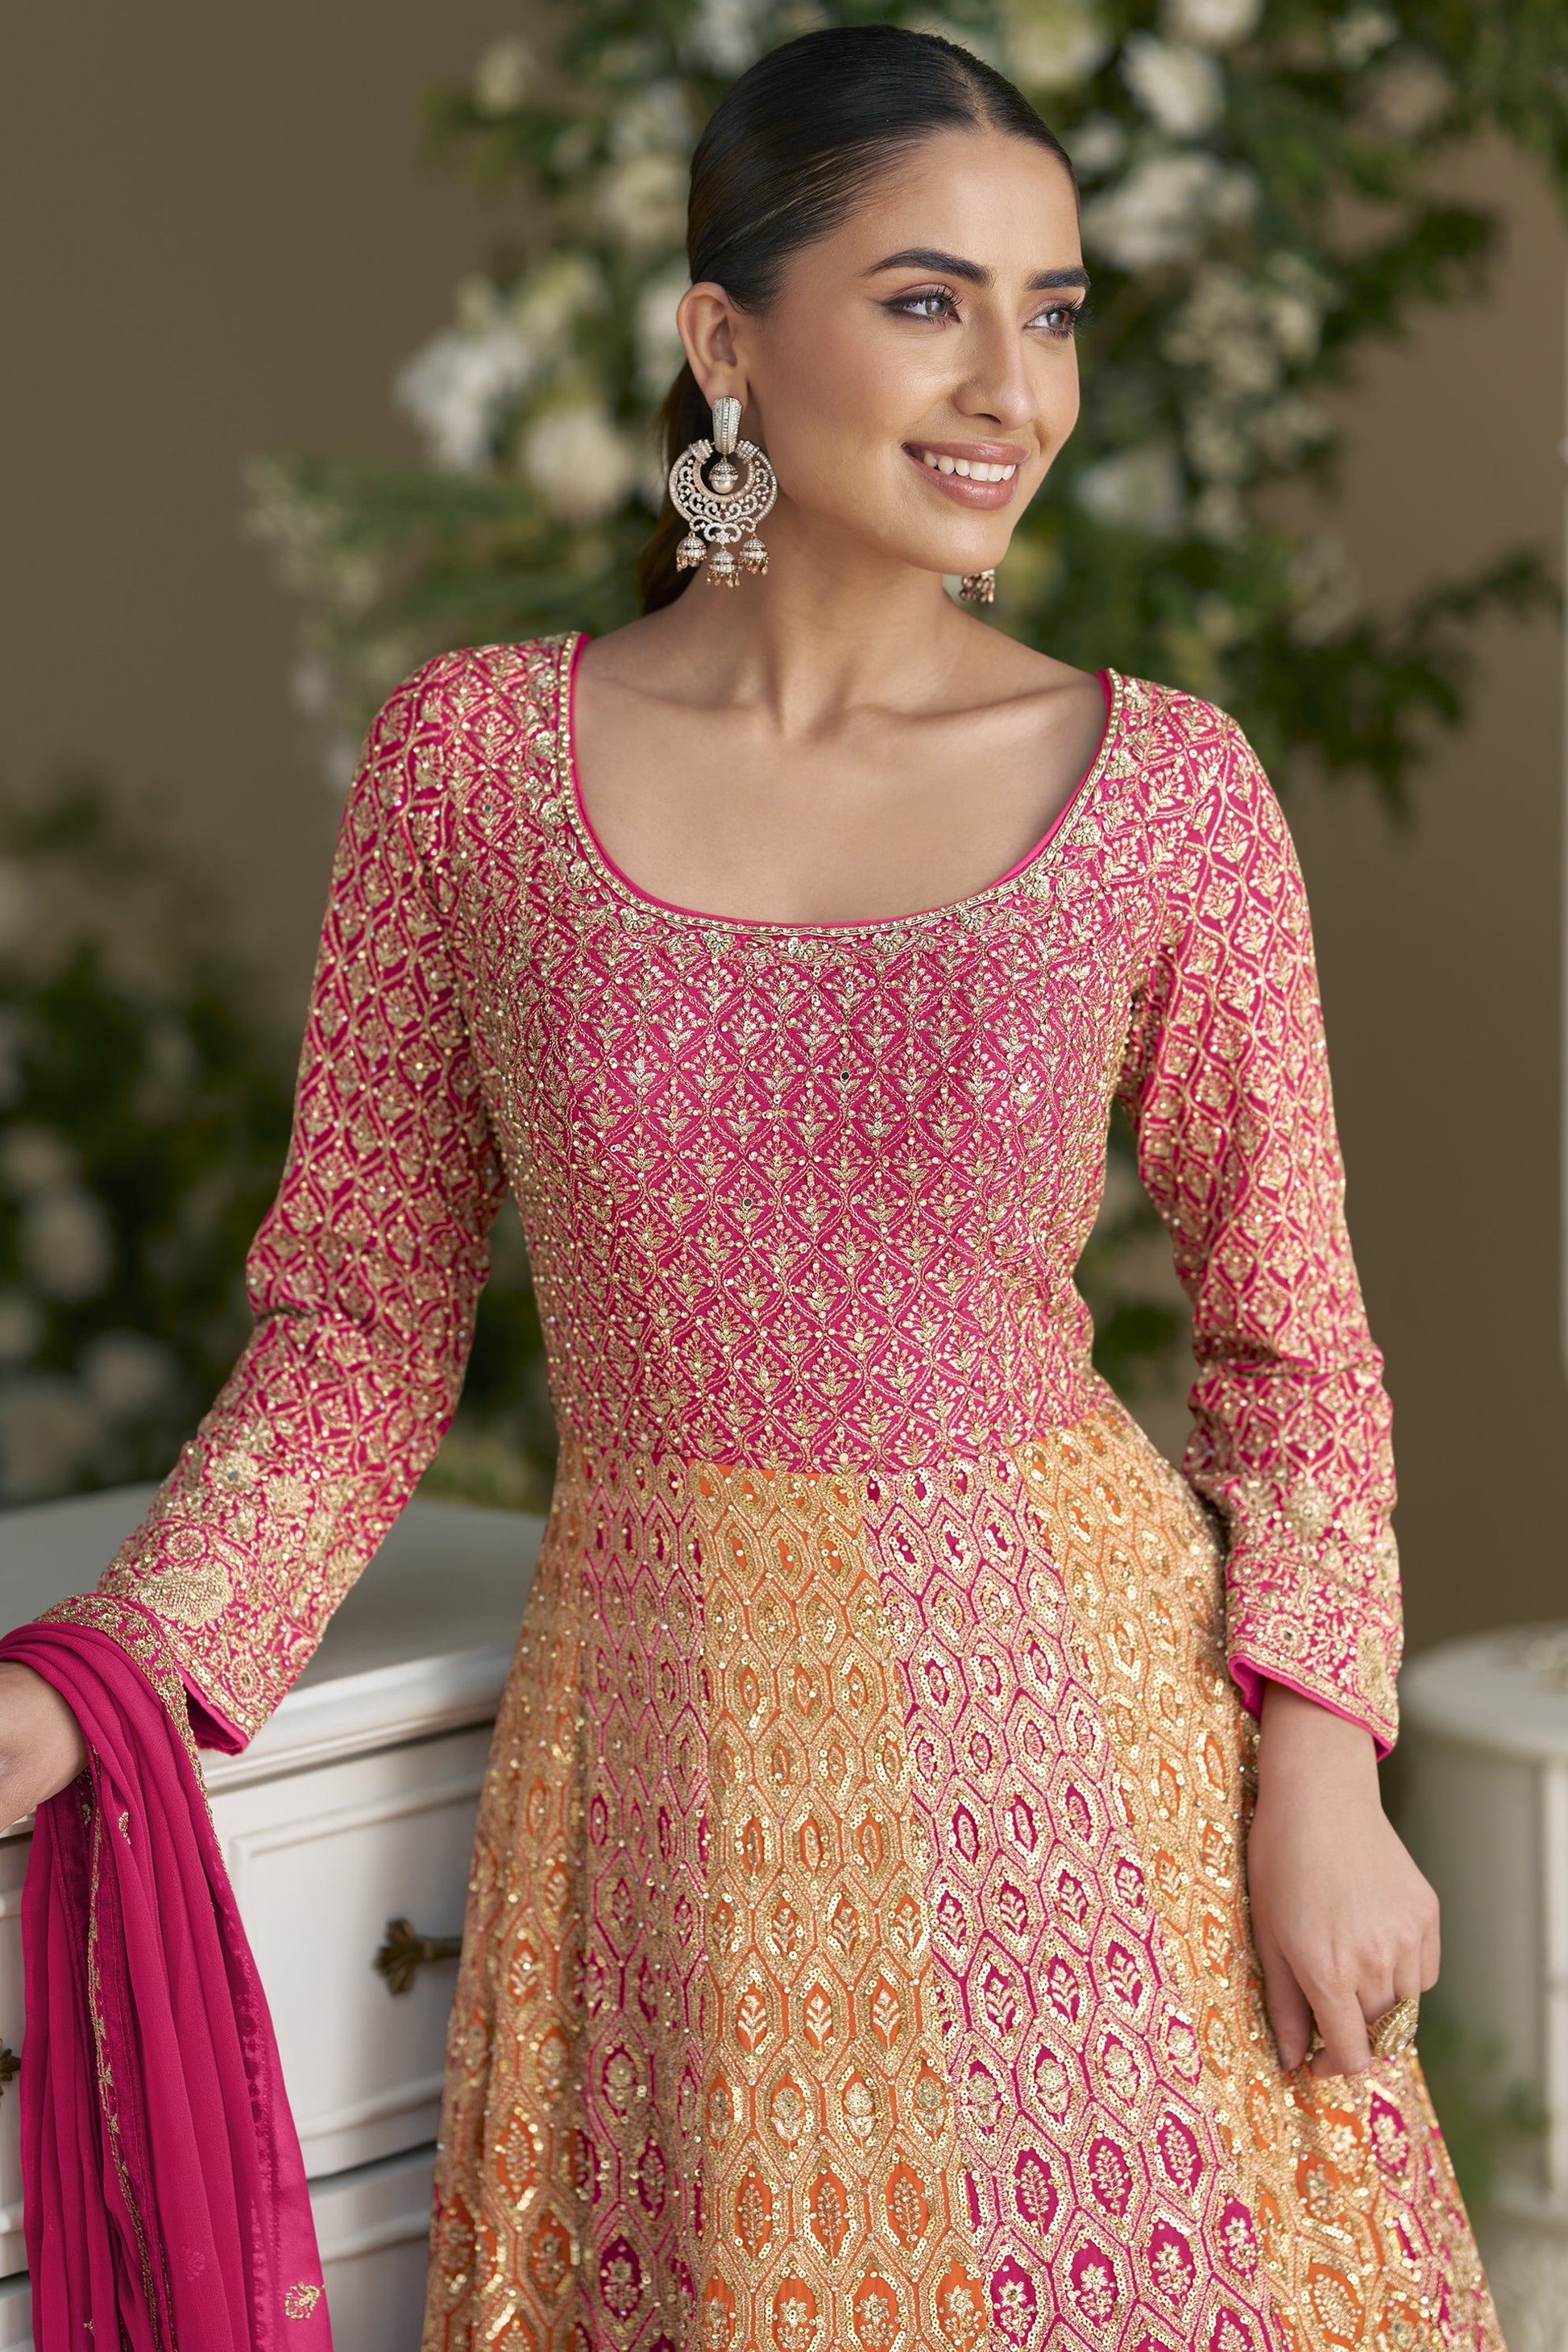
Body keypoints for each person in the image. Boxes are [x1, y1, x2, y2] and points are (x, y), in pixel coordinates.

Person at [0, 23, 1500, 2352]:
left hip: (1090, 1788)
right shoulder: (475, 769)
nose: (1010, 379)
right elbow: (358, 1338)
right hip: (676, 1817)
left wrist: (1320, 1763)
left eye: (1055, 307)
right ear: (726, 341)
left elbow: (1291, 1352)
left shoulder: (1162, 793)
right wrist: (118, 1671)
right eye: (926, 299)